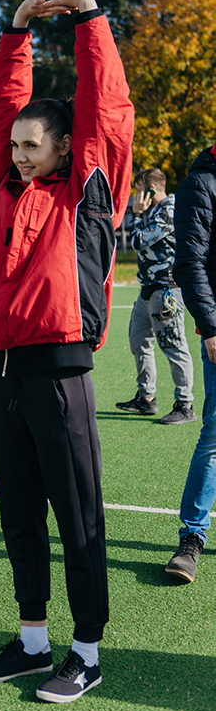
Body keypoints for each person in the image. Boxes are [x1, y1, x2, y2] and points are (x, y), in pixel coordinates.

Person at [0, 0, 133, 703]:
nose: (19, 155)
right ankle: (33, 641)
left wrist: (91, 18)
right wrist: (14, 36)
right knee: (17, 515)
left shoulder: (87, 187)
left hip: (58, 371)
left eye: (32, 146)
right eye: (14, 148)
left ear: (66, 146)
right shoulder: (3, 185)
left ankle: (86, 650)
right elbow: (0, 110)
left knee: (77, 517)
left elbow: (108, 109)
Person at [164, 141, 216, 582]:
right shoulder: (199, 185)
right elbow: (190, 263)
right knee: (215, 436)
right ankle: (192, 536)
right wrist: (212, 327)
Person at [115, 168, 196, 424]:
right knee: (138, 341)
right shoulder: (153, 211)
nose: (136, 196)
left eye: (139, 190)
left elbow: (139, 240)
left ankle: (185, 405)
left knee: (174, 347)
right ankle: (146, 398)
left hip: (166, 290)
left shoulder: (169, 210)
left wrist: (137, 214)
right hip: (148, 290)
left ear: (149, 190)